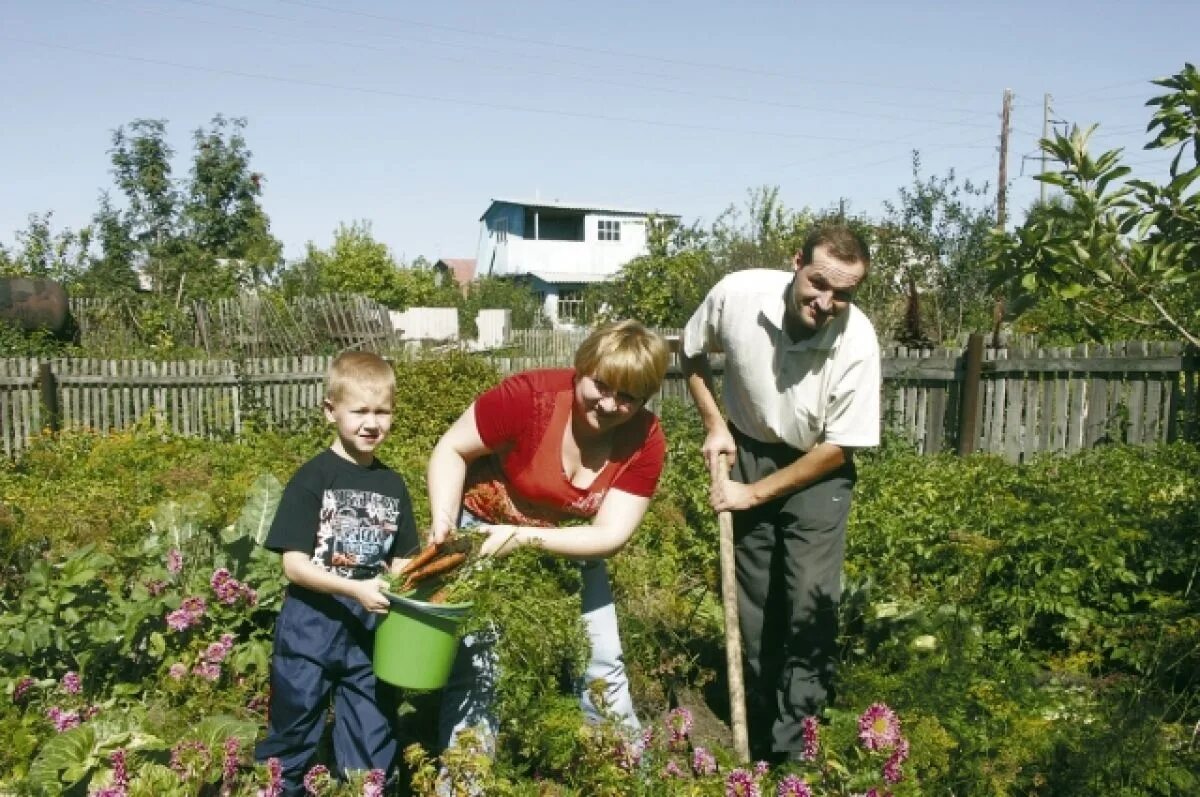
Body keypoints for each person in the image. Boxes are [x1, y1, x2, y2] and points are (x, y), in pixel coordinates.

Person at [680, 224, 881, 763]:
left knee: (809, 606)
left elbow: (840, 449)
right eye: (818, 282)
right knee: (755, 602)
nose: (827, 300)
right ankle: (762, 735)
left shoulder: (856, 340)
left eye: (843, 292)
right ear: (797, 262)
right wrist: (714, 425)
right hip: (747, 446)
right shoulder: (737, 295)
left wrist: (754, 494)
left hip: (818, 468)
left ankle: (799, 751)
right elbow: (690, 352)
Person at [426, 319, 669, 753]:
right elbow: (452, 449)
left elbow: (610, 535)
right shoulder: (529, 398)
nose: (611, 404)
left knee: (603, 663)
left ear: (645, 399)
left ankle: (622, 772)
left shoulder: (645, 439)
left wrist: (520, 539)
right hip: (483, 531)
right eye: (603, 385)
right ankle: (463, 781)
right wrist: (445, 523)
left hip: (568, 542)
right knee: (482, 665)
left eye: (628, 397)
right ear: (583, 366)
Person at [255, 351, 418, 795]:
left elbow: (403, 561)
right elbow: (294, 565)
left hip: (368, 635)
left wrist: (412, 585)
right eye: (359, 411)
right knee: (293, 731)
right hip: (310, 630)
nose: (372, 423)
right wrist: (355, 588)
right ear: (330, 411)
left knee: (373, 739)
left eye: (381, 411)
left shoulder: (393, 485)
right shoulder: (313, 478)